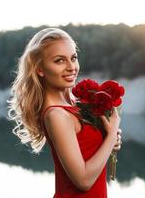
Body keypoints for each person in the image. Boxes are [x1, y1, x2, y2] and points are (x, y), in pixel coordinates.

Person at [7, 27, 122, 197]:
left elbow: (89, 150)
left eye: (73, 58)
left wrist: (109, 139)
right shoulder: (56, 115)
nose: (71, 67)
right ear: (40, 69)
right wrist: (111, 135)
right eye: (59, 61)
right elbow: (83, 181)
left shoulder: (76, 104)